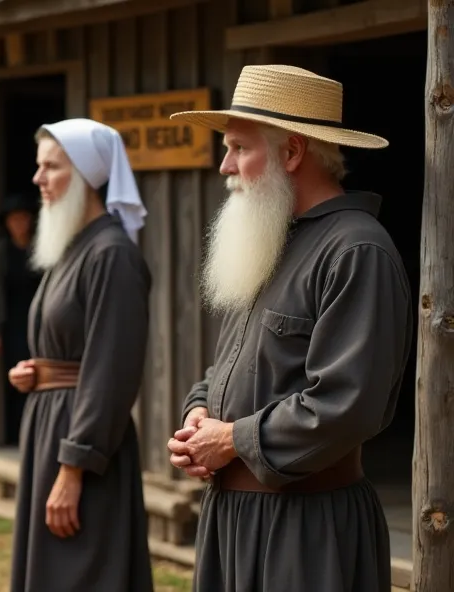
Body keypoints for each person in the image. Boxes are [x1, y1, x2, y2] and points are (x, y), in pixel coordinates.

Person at [166, 65, 413, 591]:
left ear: (292, 152)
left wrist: (231, 439)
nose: (224, 165)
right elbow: (230, 365)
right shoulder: (270, 239)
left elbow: (346, 405)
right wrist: (199, 414)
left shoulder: (356, 251)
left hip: (306, 529)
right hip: (231, 521)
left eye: (239, 148)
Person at [6, 118, 153, 592]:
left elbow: (111, 370)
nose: (38, 178)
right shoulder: (73, 250)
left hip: (83, 441)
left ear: (87, 175)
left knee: (83, 573)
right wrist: (39, 372)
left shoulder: (112, 254)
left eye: (51, 167)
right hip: (53, 425)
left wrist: (75, 468)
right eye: (38, 166)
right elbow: (71, 350)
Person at [0, 192, 43, 446]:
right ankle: (15, 436)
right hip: (12, 323)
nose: (18, 224)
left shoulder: (41, 247)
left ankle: (37, 435)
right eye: (14, 220)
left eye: (23, 218)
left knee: (39, 376)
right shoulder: (2, 250)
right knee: (14, 379)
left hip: (39, 322)